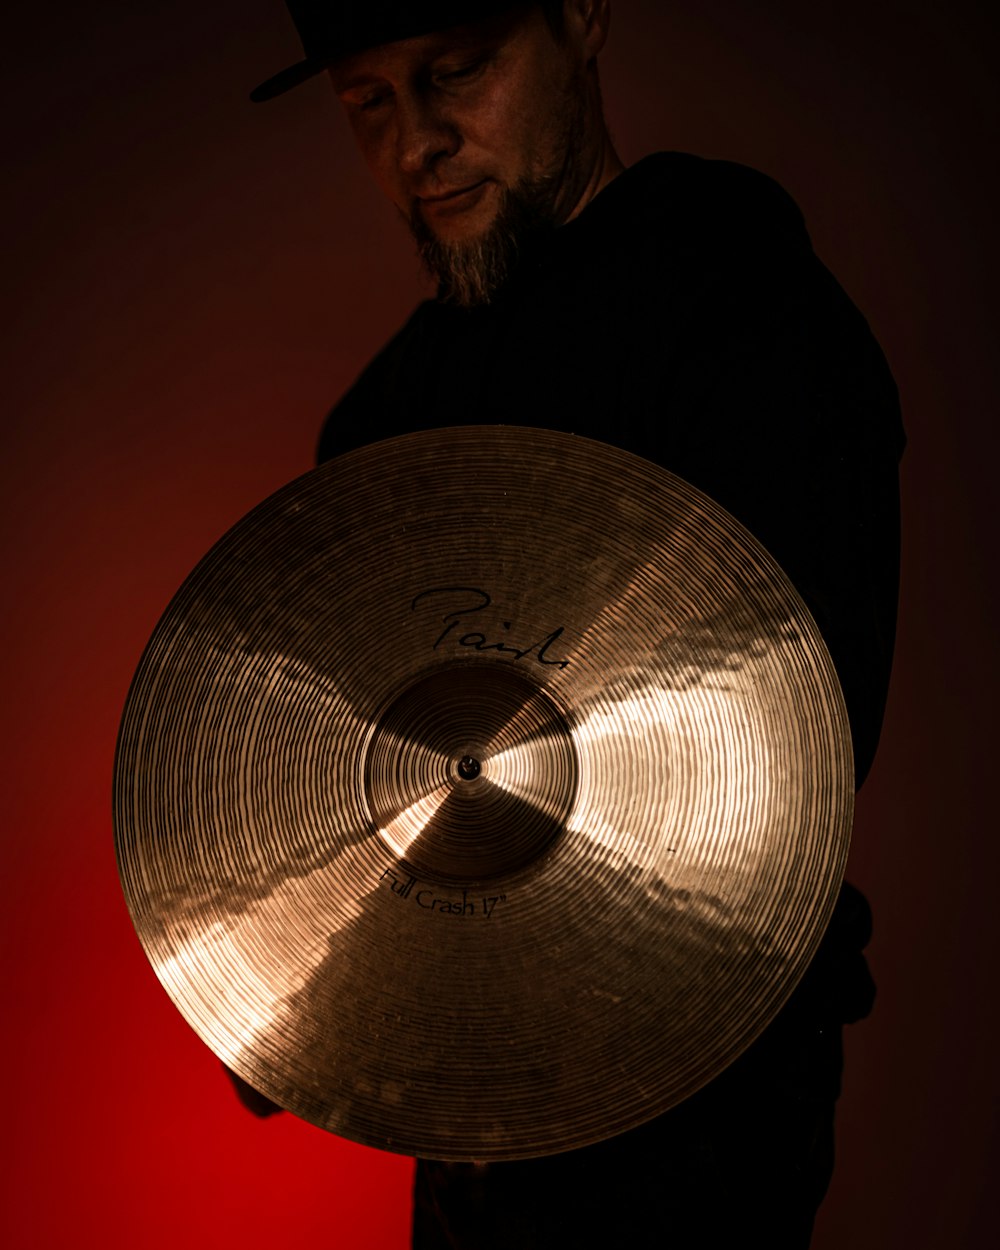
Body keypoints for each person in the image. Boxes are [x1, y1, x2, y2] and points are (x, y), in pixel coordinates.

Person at [236, 2, 904, 1244]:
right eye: (368, 104)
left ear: (582, 16)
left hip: (698, 1117)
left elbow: (775, 772)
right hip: (467, 1119)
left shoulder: (750, 325)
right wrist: (288, 965)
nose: (416, 144)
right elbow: (371, 775)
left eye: (456, 72)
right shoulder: (387, 414)